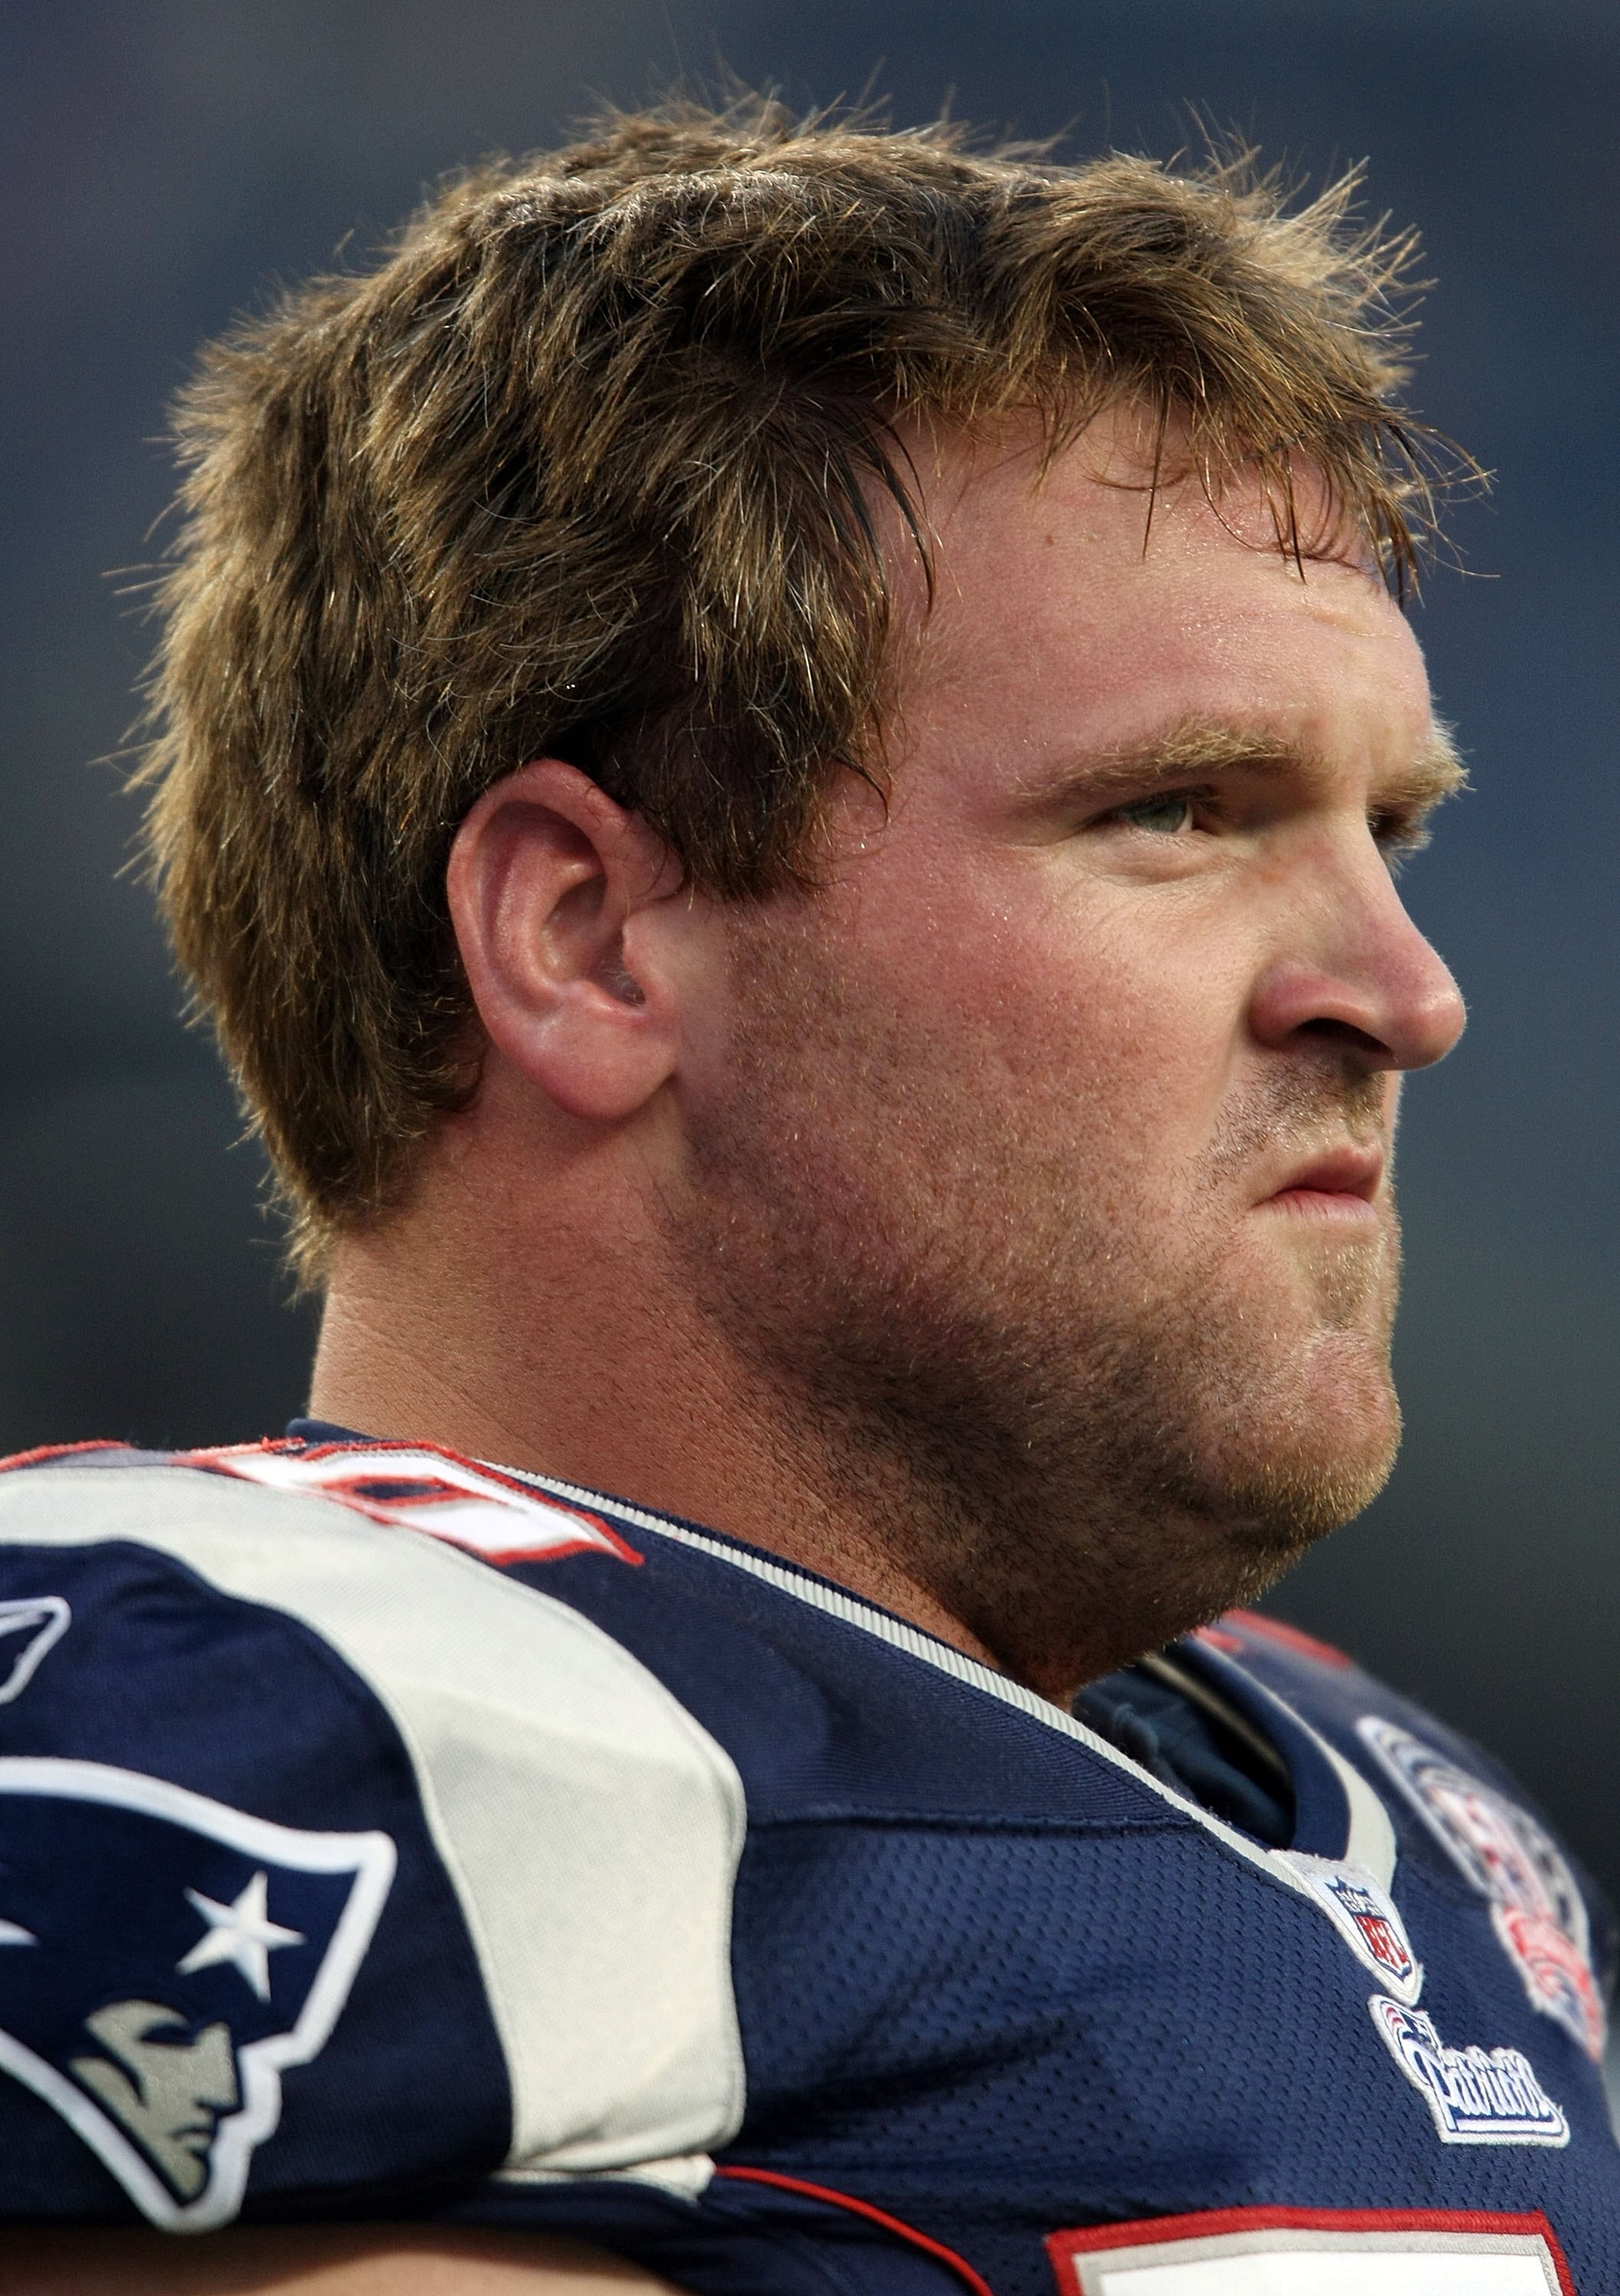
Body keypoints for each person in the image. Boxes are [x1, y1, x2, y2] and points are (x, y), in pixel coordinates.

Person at [0, 96, 1613, 2296]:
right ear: (587, 940)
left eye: (1386, 831)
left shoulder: (1415, 1814)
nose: (1405, 996)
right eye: (1175, 812)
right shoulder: (280, 1727)